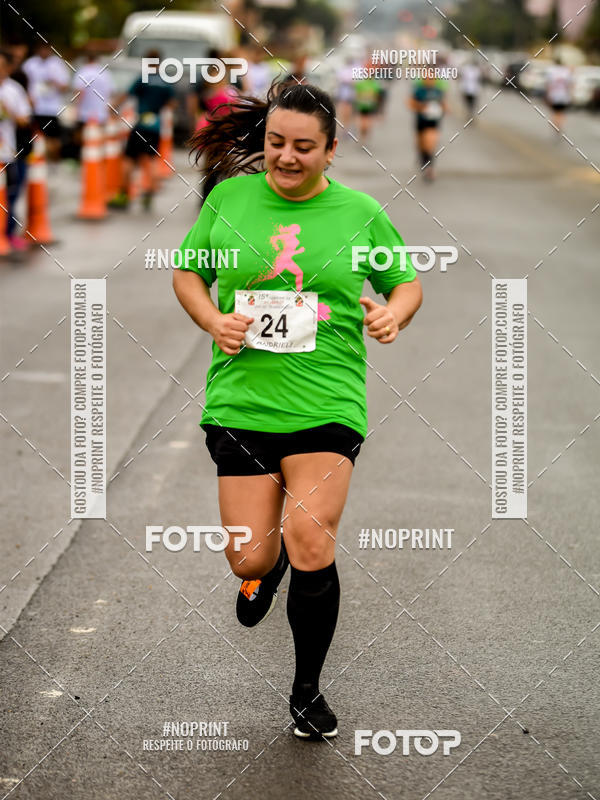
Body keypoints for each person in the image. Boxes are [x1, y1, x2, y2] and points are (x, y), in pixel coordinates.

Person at [172, 81, 422, 740]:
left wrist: (392, 312)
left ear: (331, 151)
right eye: (276, 142)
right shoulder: (229, 200)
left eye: (303, 147)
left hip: (327, 400)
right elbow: (188, 272)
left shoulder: (360, 213)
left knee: (313, 537)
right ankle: (267, 565)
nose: (286, 157)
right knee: (250, 559)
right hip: (243, 400)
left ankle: (307, 690)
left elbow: (405, 281)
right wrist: (212, 319)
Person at [108, 50, 175, 210]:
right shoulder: (166, 81)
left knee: (130, 159)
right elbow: (172, 104)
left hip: (141, 125)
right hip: (156, 125)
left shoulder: (143, 78)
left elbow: (126, 95)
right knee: (151, 160)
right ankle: (149, 194)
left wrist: (112, 108)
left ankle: (123, 196)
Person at [0, 49, 32, 252]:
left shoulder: (14, 90)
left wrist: (7, 111)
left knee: (10, 195)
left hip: (6, 152)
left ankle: (8, 233)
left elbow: (24, 119)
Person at [22, 42, 69, 161]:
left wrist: (55, 82)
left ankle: (53, 162)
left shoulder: (57, 64)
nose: (43, 51)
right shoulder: (30, 64)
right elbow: (22, 84)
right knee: (35, 137)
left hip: (51, 109)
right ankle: (37, 162)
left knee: (53, 139)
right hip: (35, 108)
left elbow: (65, 87)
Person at [72, 51, 115, 160]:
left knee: (81, 137)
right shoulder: (105, 73)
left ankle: (82, 159)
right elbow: (110, 92)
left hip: (84, 112)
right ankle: (99, 158)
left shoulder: (83, 72)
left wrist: (76, 109)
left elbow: (79, 92)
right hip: (101, 111)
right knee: (99, 137)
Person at [408, 72, 447, 182]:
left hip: (433, 123)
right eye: (427, 77)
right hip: (421, 121)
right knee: (421, 145)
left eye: (432, 77)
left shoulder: (438, 92)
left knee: (430, 145)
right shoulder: (419, 91)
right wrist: (422, 107)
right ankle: (423, 162)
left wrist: (442, 109)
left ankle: (429, 168)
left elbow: (444, 105)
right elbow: (410, 103)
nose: (430, 79)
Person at [545, 56, 572, 136]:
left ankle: (556, 126)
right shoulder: (566, 72)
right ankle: (559, 126)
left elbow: (548, 84)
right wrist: (570, 95)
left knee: (555, 113)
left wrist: (548, 95)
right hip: (563, 95)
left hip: (554, 95)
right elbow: (569, 85)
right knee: (561, 113)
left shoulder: (551, 71)